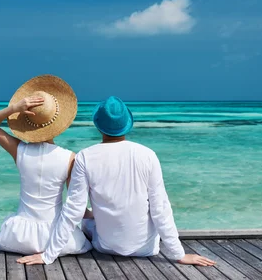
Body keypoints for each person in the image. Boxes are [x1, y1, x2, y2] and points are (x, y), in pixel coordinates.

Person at [18, 96, 216, 266]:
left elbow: (74, 210)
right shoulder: (148, 155)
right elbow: (160, 208)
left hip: (106, 247)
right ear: (127, 124)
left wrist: (48, 255)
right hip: (146, 249)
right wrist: (179, 255)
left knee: (87, 222)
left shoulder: (85, 157)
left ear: (98, 126)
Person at [0, 74, 92, 256]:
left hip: (18, 238)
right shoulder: (69, 158)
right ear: (58, 123)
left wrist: (14, 108)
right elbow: (76, 206)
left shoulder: (19, 151)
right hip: (57, 239)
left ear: (29, 122)